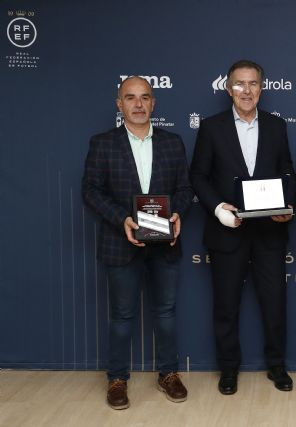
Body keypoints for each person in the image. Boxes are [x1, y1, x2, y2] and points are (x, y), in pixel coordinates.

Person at [82, 76, 192, 409]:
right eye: (130, 97)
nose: (139, 104)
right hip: (120, 242)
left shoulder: (173, 143)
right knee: (122, 316)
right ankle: (117, 379)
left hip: (165, 243)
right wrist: (122, 220)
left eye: (145, 97)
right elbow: (91, 191)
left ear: (154, 103)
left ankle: (168, 374)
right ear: (120, 105)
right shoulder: (103, 143)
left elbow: (185, 191)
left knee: (166, 313)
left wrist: (178, 214)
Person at [190, 60, 296, 394]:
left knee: (275, 304)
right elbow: (198, 176)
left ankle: (277, 366)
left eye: (253, 84)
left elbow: (288, 172)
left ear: (262, 87)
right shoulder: (211, 127)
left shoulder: (277, 126)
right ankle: (229, 369)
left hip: (269, 232)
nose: (247, 91)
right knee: (225, 306)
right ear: (228, 88)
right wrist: (219, 208)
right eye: (239, 84)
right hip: (227, 231)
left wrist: (287, 206)